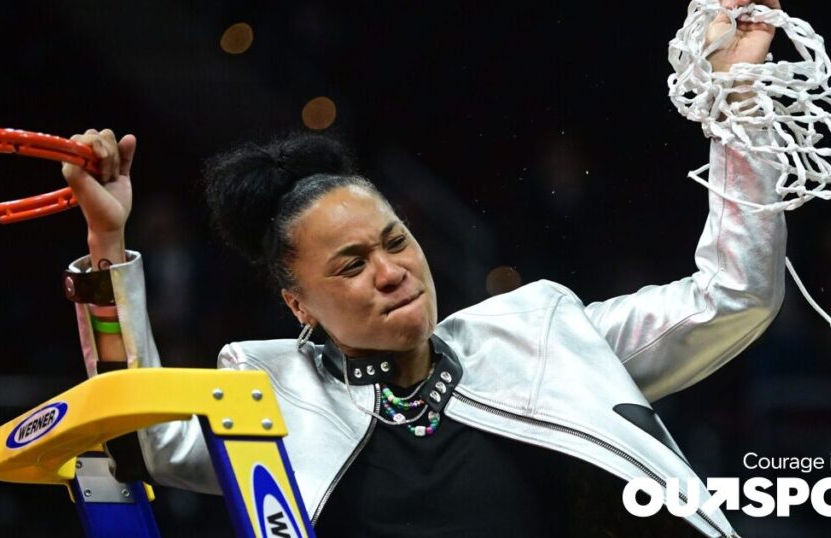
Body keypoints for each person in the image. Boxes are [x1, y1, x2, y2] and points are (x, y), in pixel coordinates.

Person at [61, 1, 784, 535]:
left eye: (396, 242)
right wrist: (106, 240)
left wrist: (738, 102)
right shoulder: (266, 397)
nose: (391, 272)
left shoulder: (540, 336)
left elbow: (733, 295)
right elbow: (140, 438)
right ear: (298, 305)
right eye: (351, 264)